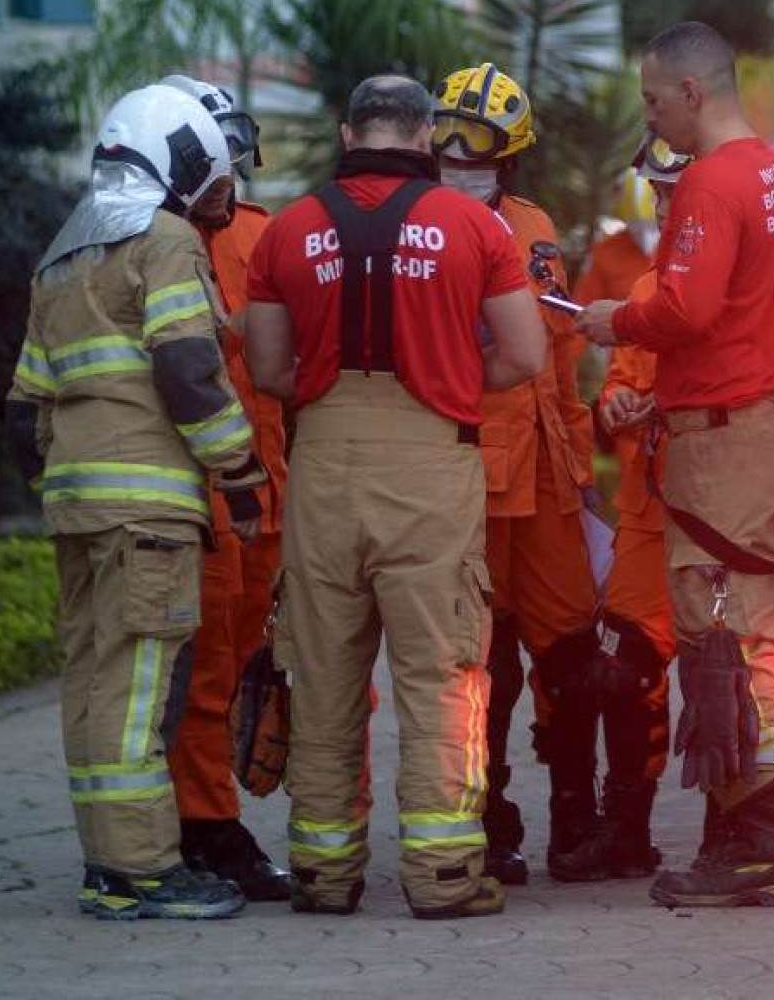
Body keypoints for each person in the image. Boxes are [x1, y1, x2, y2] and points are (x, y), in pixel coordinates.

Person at [243, 75, 546, 920]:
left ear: (347, 133)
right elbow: (526, 357)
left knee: (326, 674)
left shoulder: (287, 231)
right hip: (429, 470)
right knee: (442, 673)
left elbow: (268, 374)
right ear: (427, 137)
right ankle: (444, 874)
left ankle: (322, 872)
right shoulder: (472, 227)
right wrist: (448, 378)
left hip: (324, 471)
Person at [577, 21, 774, 908]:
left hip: (727, 448)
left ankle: (754, 849)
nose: (650, 116)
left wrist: (616, 320)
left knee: (729, 645)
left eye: (652, 99)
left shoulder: (714, 185)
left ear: (692, 91)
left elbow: (685, 307)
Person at [7, 85, 268, 920]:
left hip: (78, 505)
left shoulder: (61, 255)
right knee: (140, 687)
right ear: (178, 161)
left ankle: (104, 862)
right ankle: (142, 872)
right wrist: (240, 471)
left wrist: (65, 482)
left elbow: (25, 406)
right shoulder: (163, 241)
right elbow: (190, 369)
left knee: (92, 681)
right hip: (148, 511)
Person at [431, 62, 611, 884]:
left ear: (511, 157)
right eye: (451, 142)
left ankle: (578, 816)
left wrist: (581, 473)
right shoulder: (423, 230)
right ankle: (486, 818)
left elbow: (564, 355)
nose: (463, 157)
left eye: (481, 148)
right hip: (469, 475)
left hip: (545, 478)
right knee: (486, 665)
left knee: (572, 655)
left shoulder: (535, 226)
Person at [146, 76, 293, 902]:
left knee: (244, 667)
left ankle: (207, 821)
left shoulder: (264, 236)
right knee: (200, 672)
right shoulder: (149, 243)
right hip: (196, 491)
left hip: (261, 490)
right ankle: (205, 826)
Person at [587, 135, 694, 880]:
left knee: (739, 671)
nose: (661, 207)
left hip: (718, 509)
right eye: (655, 195)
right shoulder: (651, 284)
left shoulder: (735, 281)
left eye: (670, 192)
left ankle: (751, 829)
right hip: (647, 509)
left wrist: (661, 407)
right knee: (627, 667)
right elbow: (615, 382)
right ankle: (627, 826)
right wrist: (616, 405)